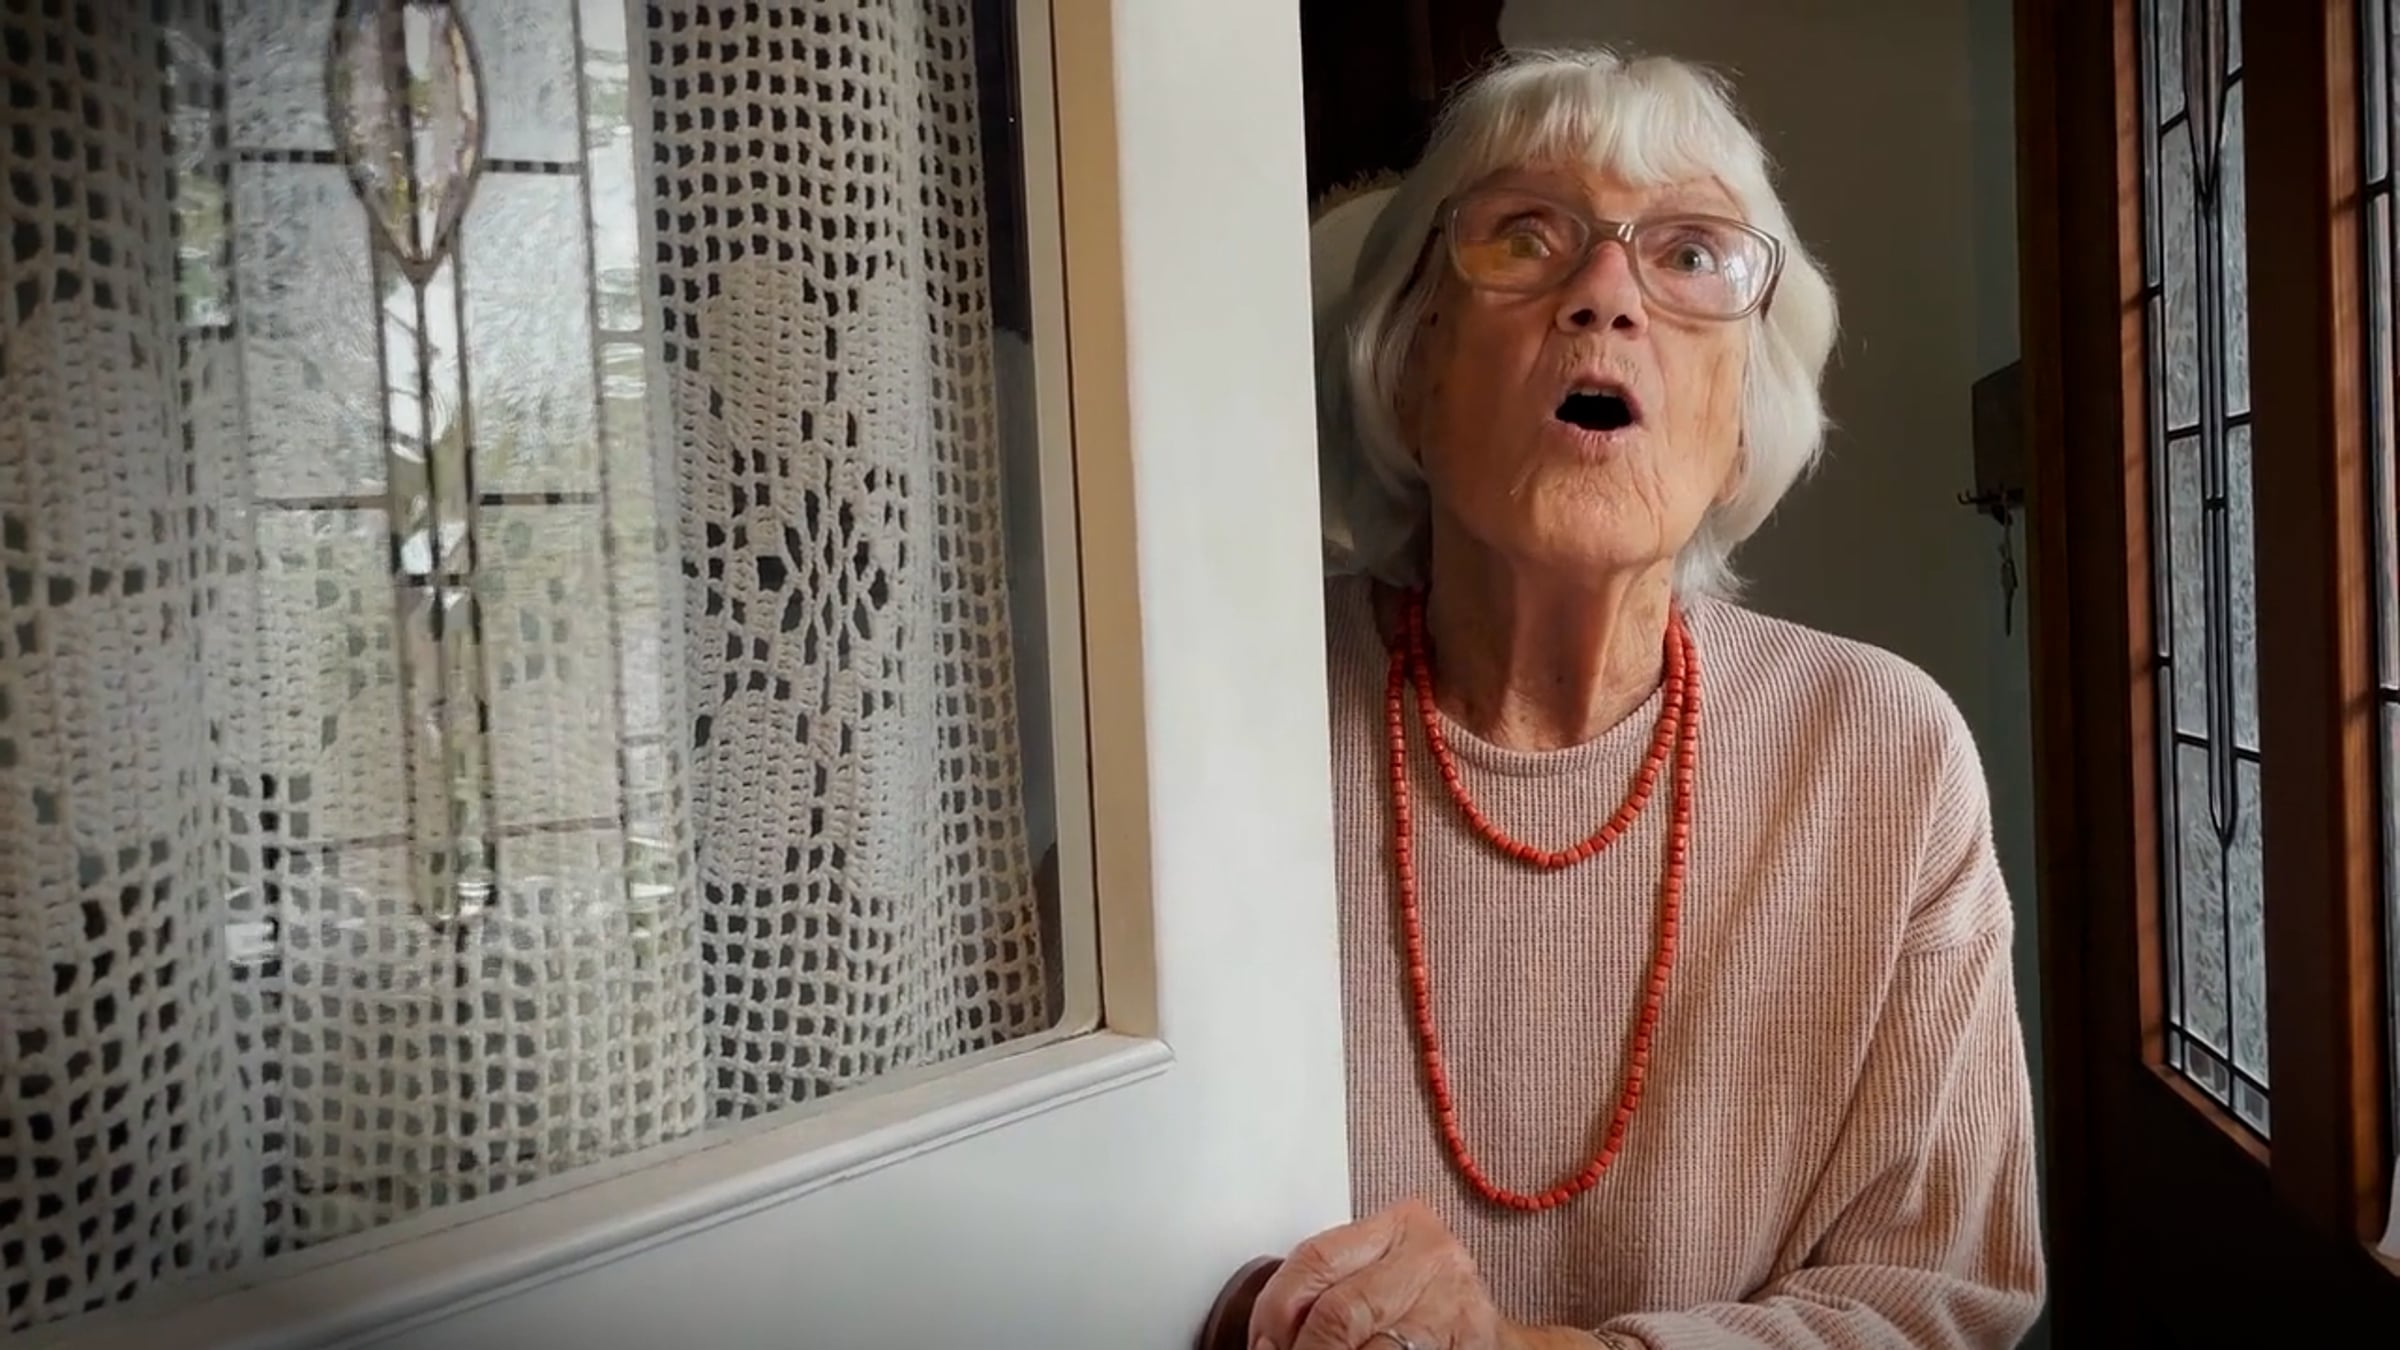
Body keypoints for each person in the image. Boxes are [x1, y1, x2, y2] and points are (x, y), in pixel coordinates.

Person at [1244, 46, 2045, 1350]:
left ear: (1742, 422)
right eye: (1525, 235)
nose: (1606, 295)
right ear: (1410, 367)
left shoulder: (1884, 758)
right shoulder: (1226, 713)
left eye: (1689, 255)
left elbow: (1937, 1299)